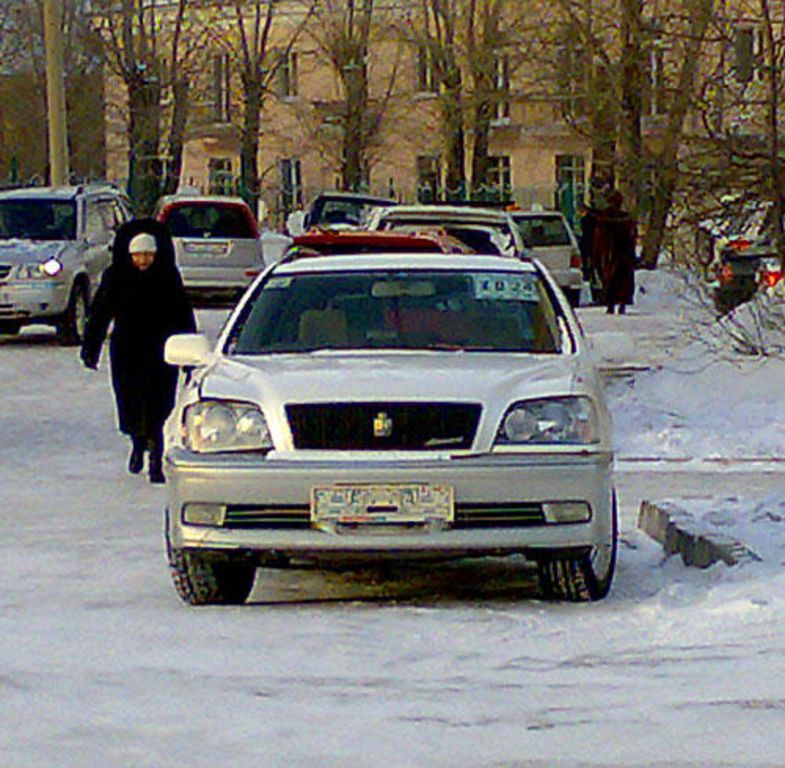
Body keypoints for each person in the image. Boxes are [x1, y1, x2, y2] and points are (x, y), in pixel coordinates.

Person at [80, 219, 196, 483]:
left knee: (159, 404)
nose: (143, 261)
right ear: (129, 255)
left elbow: (182, 315)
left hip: (161, 351)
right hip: (127, 351)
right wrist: (91, 348)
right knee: (131, 402)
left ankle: (156, 455)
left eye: (148, 255)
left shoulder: (168, 277)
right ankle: (137, 442)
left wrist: (188, 357)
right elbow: (100, 313)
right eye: (138, 255)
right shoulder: (115, 276)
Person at [591, 190, 637, 314]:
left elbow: (598, 237)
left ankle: (613, 304)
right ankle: (619, 304)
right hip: (622, 254)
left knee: (612, 278)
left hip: (612, 253)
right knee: (621, 279)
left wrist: (595, 254)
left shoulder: (604, 218)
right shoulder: (625, 218)